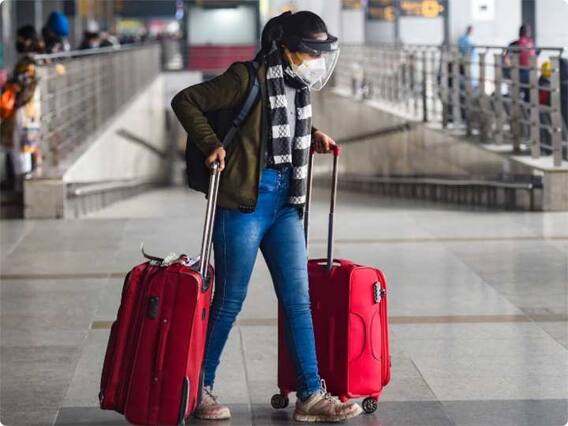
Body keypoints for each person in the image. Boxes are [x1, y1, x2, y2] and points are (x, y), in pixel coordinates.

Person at [171, 10, 363, 423]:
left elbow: (280, 124)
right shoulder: (246, 77)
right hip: (244, 202)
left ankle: (310, 395)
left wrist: (312, 134)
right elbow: (185, 100)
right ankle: (198, 387)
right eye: (311, 52)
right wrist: (210, 144)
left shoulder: (297, 86)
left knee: (298, 300)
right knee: (229, 300)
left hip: (286, 204)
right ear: (287, 48)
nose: (316, 61)